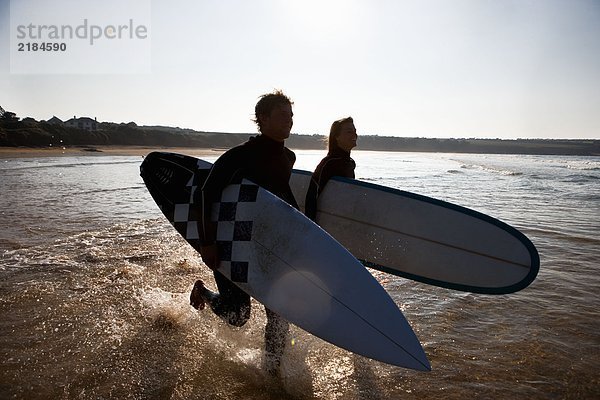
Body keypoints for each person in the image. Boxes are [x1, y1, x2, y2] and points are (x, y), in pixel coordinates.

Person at [189, 90, 298, 376]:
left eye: (291, 115)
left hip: (266, 245)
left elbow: (281, 198)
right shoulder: (240, 156)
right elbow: (205, 195)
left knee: (279, 314)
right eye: (283, 115)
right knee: (238, 315)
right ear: (263, 118)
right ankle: (203, 292)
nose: (289, 121)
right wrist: (207, 244)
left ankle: (270, 374)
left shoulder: (288, 156)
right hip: (232, 242)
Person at [305, 117, 357, 221]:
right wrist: (310, 224)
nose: (354, 135)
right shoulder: (329, 163)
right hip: (324, 222)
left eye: (355, 131)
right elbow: (313, 193)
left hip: (341, 221)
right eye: (349, 132)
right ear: (337, 136)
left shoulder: (350, 163)